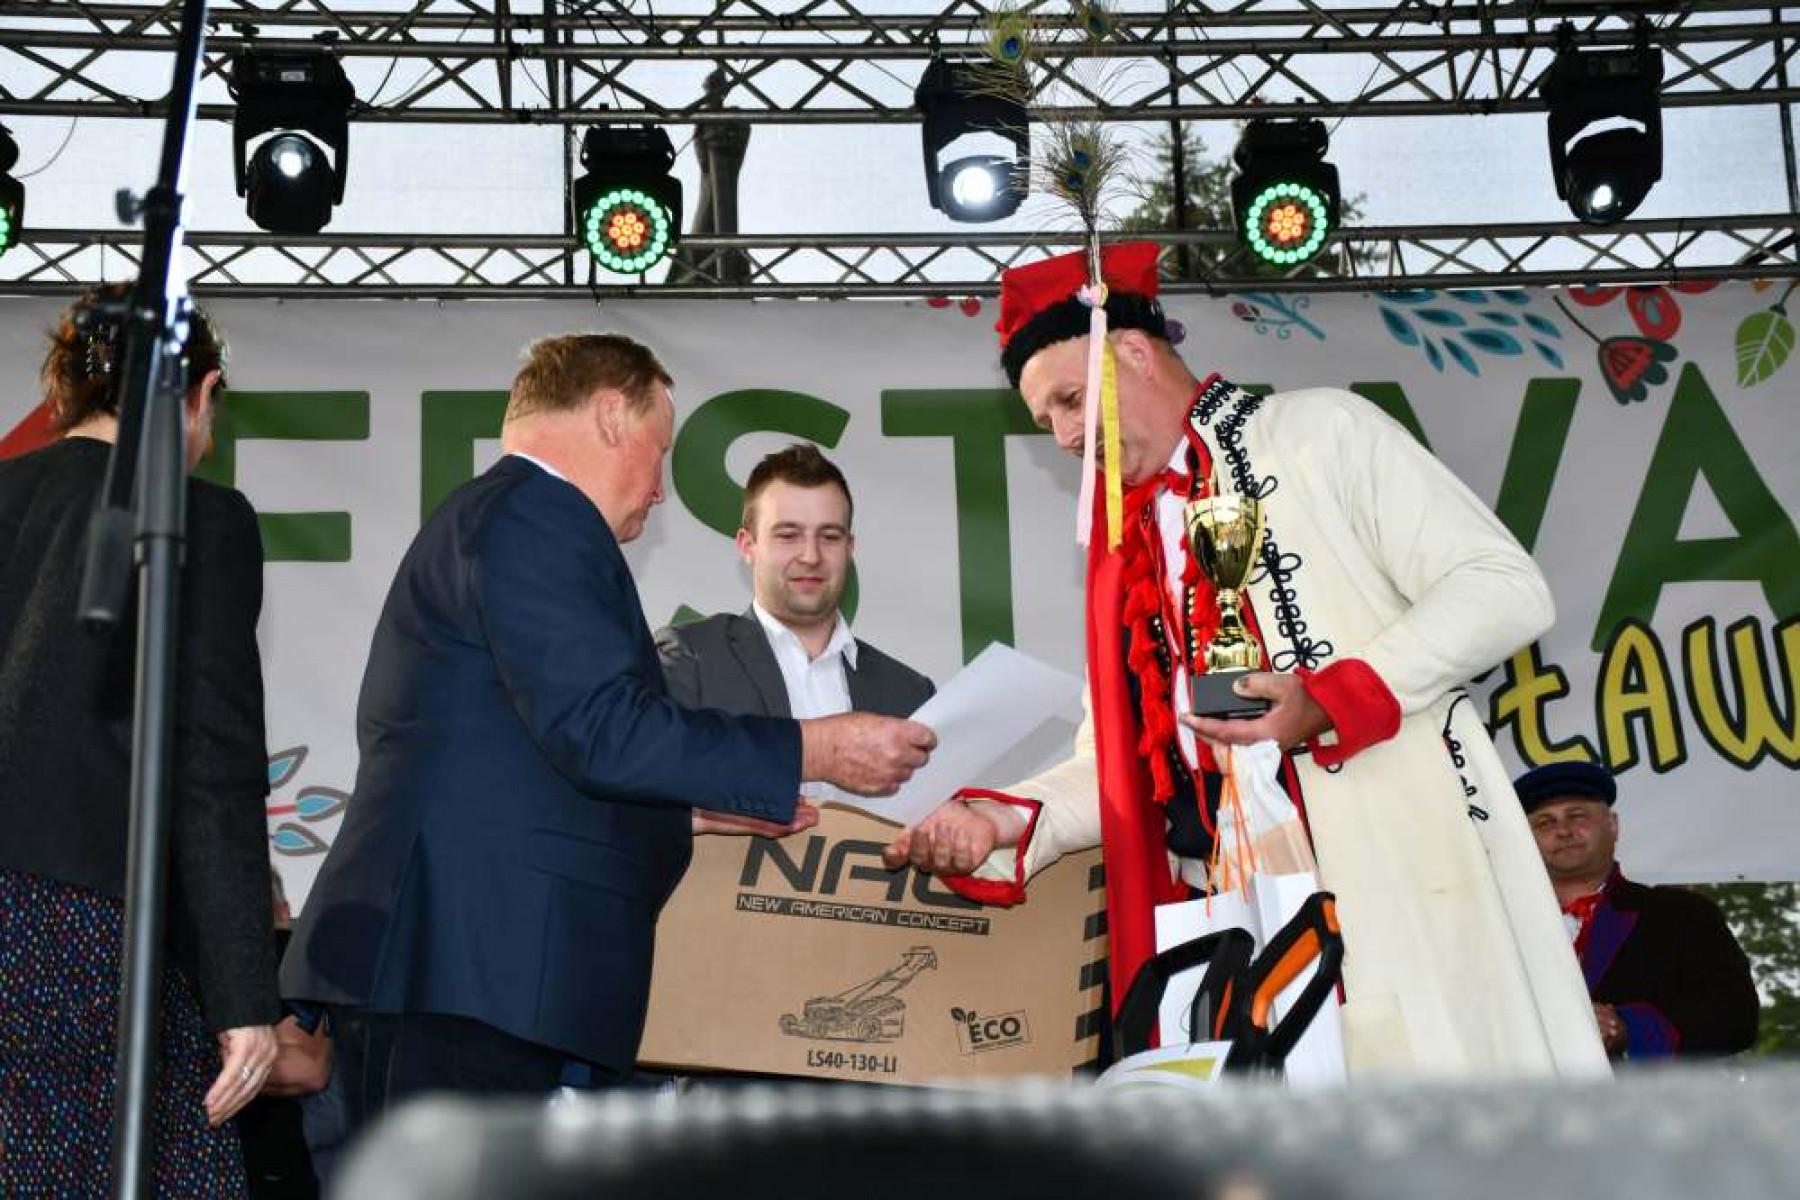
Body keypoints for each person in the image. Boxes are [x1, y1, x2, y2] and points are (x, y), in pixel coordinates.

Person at [884, 243, 1608, 1079]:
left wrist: (1329, 699)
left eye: (1071, 400)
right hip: (1230, 913)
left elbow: (1503, 587)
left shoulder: (1317, 432)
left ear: (1133, 351)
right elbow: (1123, 769)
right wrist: (1004, 820)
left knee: (1434, 1110)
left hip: (1390, 870)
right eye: (1047, 422)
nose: (1067, 436)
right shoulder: (1128, 551)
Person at [282, 333, 935, 1126]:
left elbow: (531, 753)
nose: (659, 491)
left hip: (472, 965)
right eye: (660, 452)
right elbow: (601, 728)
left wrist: (683, 812)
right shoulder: (537, 515)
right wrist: (819, 747)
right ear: (611, 415)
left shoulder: (509, 515)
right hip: (464, 962)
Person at [0, 284, 280, 1195]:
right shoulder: (202, 522)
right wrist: (243, 996)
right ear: (200, 393)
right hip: (86, 934)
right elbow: (211, 767)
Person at [656, 442, 934, 728]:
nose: (811, 557)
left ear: (849, 549)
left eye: (829, 536)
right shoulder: (692, 661)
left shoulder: (911, 695)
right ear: (748, 546)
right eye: (788, 536)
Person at [1517, 761, 1759, 1060]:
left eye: (1577, 816)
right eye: (1545, 823)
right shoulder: (1500, 924)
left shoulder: (1681, 913)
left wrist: (1626, 1027)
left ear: (1613, 825)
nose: (1563, 831)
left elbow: (1736, 1017)